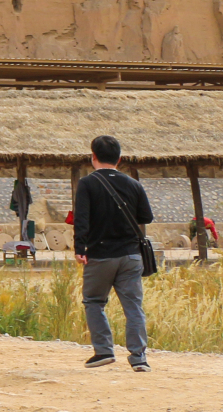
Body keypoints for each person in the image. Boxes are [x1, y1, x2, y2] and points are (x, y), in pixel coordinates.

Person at [74, 134, 154, 372]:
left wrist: (80, 248)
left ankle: (104, 351)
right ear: (119, 159)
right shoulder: (133, 184)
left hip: (100, 255)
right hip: (131, 256)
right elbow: (146, 217)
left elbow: (82, 220)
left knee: (94, 301)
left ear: (93, 157)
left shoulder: (88, 183)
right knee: (133, 307)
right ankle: (139, 357)